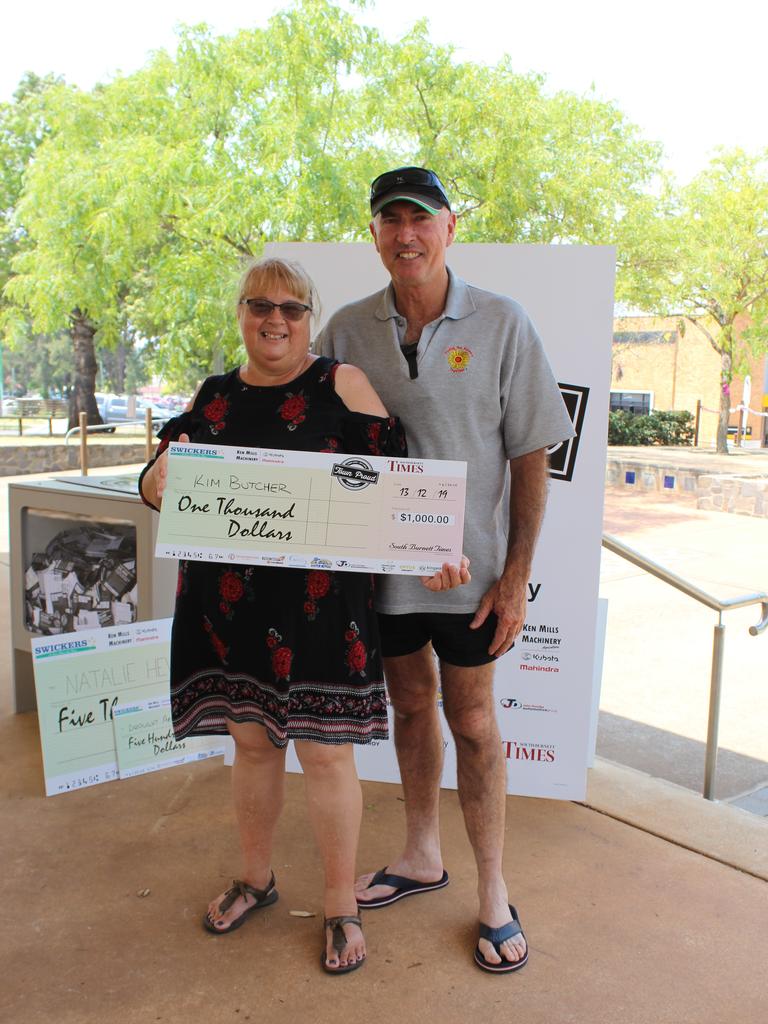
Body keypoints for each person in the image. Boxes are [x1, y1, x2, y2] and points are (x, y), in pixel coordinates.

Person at [139, 256, 466, 975]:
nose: (275, 319)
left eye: (290, 307)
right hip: (232, 608)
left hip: (324, 610)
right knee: (252, 746)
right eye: (260, 306)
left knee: (325, 755)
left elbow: (399, 477)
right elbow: (163, 479)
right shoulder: (215, 395)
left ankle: (340, 905)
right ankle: (257, 879)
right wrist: (156, 478)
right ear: (241, 315)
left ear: (309, 317)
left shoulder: (340, 383)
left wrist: (435, 545)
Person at [316, 167, 576, 974]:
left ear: (450, 228)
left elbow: (532, 457)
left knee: (473, 722)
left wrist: (515, 577)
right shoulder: (347, 328)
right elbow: (310, 437)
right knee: (410, 706)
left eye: (420, 220)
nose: (406, 235)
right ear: (374, 235)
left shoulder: (503, 323)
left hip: (474, 580)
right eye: (390, 221)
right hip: (380, 576)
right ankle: (422, 854)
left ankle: (493, 888)